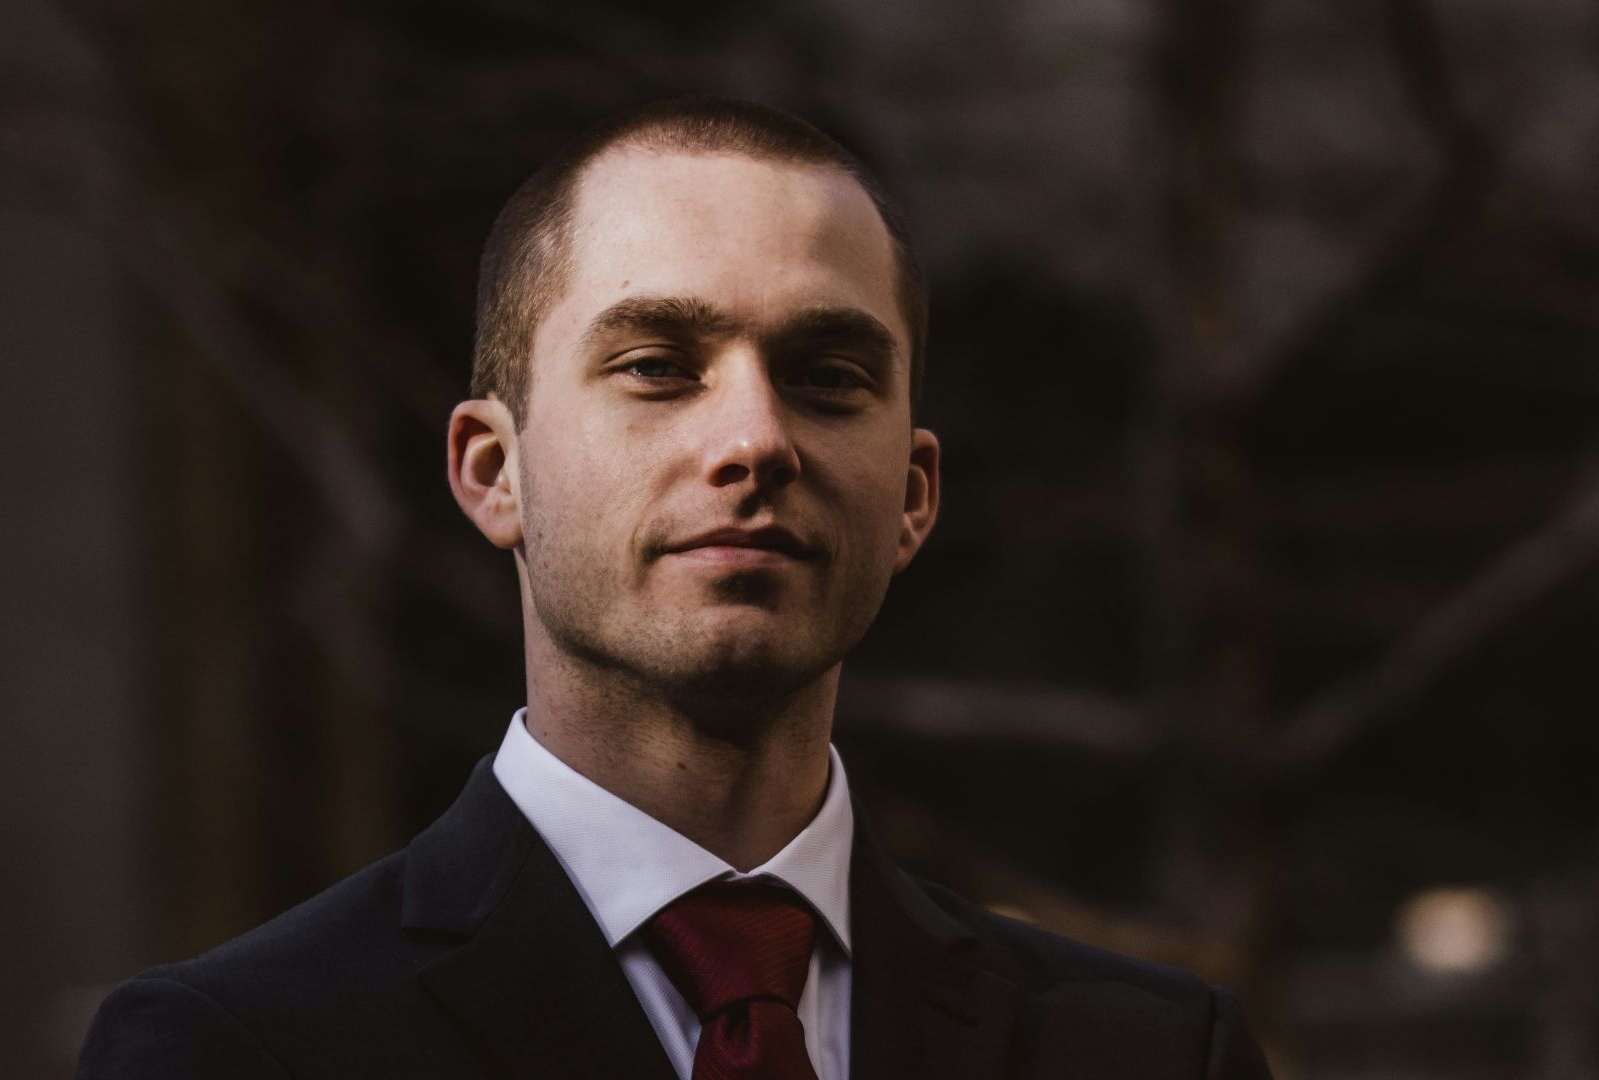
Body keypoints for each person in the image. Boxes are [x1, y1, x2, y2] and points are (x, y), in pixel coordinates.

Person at [78, 96, 1275, 1080]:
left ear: (914, 495)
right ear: (495, 473)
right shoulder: (234, 1053)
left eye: (828, 374)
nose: (755, 437)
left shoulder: (1157, 1057)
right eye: (656, 365)